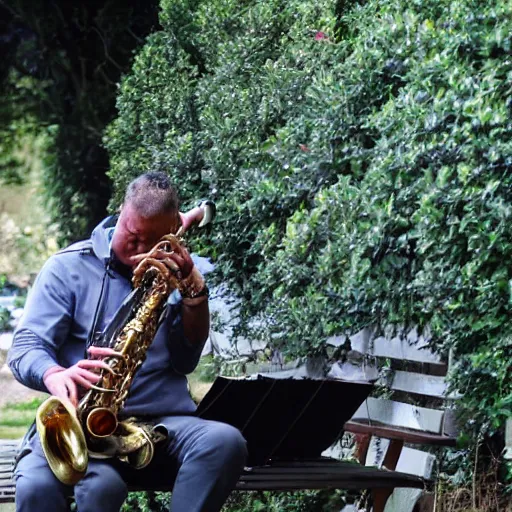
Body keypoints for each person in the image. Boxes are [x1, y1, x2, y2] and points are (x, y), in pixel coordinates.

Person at [8, 171, 247, 512]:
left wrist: (195, 296)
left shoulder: (174, 270)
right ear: (120, 212)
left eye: (152, 241)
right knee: (37, 489)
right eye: (132, 236)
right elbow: (26, 346)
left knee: (225, 441)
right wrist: (53, 373)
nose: (139, 250)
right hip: (83, 420)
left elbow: (186, 361)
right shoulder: (67, 268)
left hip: (163, 420)